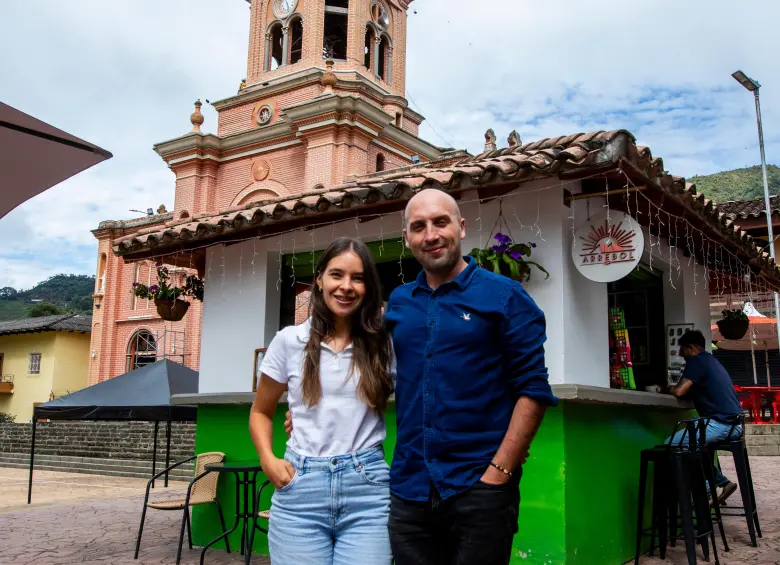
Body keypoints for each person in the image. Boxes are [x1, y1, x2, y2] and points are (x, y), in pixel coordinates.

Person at [385, 189, 557, 565]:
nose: (430, 235)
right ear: (407, 238)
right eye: (418, 227)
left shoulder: (506, 297)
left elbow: (534, 390)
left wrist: (499, 474)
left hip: (479, 488)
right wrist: (307, 409)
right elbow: (369, 372)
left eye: (440, 222)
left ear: (461, 228)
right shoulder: (398, 303)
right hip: (410, 488)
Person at [249, 237, 395, 565]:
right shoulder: (289, 341)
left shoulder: (383, 344)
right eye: (336, 275)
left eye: (358, 278)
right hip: (301, 488)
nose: (346, 286)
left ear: (369, 287)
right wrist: (267, 460)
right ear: (319, 279)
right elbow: (261, 411)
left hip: (367, 489)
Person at [669, 329, 742, 505]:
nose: (680, 353)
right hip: (735, 425)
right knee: (695, 447)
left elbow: (679, 391)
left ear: (692, 348)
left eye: (683, 349)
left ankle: (705, 490)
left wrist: (667, 389)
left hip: (720, 423)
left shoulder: (696, 361)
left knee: (672, 445)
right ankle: (720, 483)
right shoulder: (711, 361)